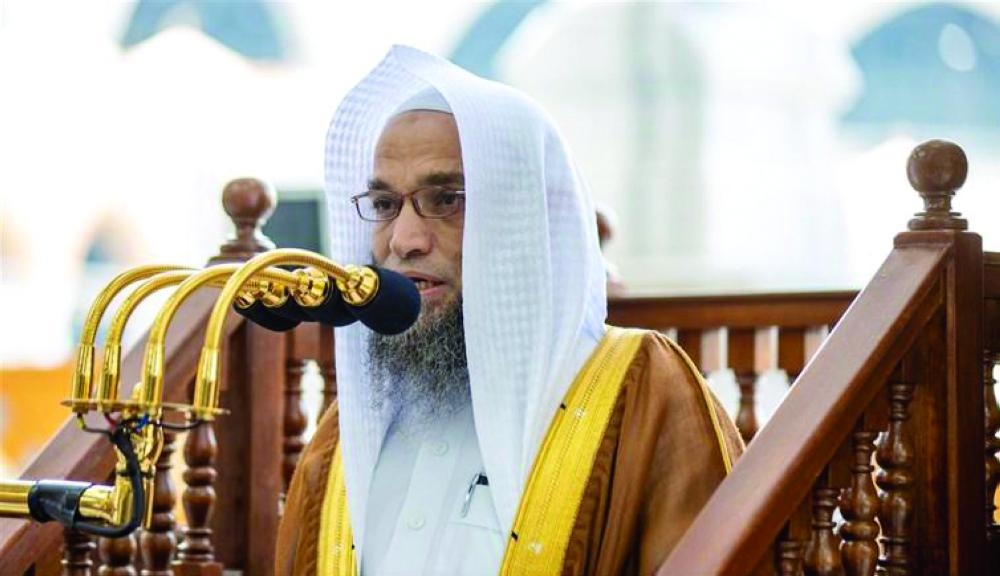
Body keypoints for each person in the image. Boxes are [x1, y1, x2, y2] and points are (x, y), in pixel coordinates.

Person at [276, 45, 743, 576]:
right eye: (385, 205)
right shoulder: (347, 433)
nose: (403, 240)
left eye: (446, 199)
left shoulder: (640, 390)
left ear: (522, 218)